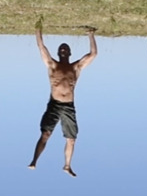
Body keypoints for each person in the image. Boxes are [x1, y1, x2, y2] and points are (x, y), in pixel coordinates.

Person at [28, 21, 97, 177]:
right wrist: (37, 30)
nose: (63, 50)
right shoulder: (52, 65)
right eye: (61, 49)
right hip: (54, 104)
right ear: (58, 52)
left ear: (70, 53)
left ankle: (67, 165)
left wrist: (91, 35)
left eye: (66, 49)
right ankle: (34, 160)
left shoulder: (76, 67)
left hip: (68, 106)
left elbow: (93, 54)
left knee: (71, 139)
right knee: (45, 134)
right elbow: (41, 47)